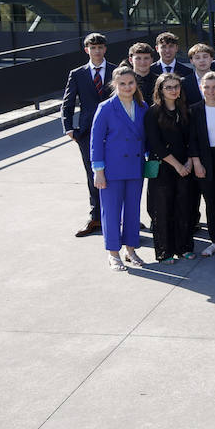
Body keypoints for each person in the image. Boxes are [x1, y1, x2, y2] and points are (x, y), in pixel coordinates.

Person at [90, 66, 148, 271]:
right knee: (111, 212)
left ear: (135, 84)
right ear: (114, 85)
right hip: (112, 168)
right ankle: (113, 253)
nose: (127, 87)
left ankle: (130, 249)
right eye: (122, 83)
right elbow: (96, 141)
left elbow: (146, 137)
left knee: (133, 211)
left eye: (130, 83)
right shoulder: (105, 107)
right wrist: (98, 171)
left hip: (135, 166)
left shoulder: (142, 106)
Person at [62, 32, 114, 238]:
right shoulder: (77, 73)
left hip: (113, 132)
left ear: (105, 49)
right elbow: (67, 102)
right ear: (87, 50)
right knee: (93, 174)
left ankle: (118, 216)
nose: (97, 51)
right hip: (87, 133)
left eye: (100, 47)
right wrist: (69, 128)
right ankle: (95, 217)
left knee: (115, 174)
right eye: (93, 48)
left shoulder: (116, 71)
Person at [144, 73, 196, 263]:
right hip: (163, 167)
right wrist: (177, 166)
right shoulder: (153, 112)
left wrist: (189, 162)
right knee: (163, 210)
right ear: (160, 90)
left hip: (185, 166)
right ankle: (164, 252)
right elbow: (155, 144)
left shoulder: (184, 109)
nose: (174, 90)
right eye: (169, 87)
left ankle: (184, 247)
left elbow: (192, 138)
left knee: (184, 208)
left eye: (176, 86)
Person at [187, 71, 215, 258]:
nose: (211, 91)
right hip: (205, 159)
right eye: (207, 87)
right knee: (211, 201)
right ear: (201, 88)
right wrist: (196, 162)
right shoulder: (194, 110)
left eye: (214, 87)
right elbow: (192, 139)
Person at [151, 31, 199, 104]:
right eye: (163, 47)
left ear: (176, 48)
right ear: (157, 49)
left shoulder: (187, 71)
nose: (167, 51)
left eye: (171, 46)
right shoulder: (151, 70)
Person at [126, 42, 158, 108]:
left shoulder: (159, 81)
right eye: (138, 58)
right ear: (130, 60)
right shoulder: (124, 82)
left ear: (152, 60)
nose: (142, 62)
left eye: (146, 58)